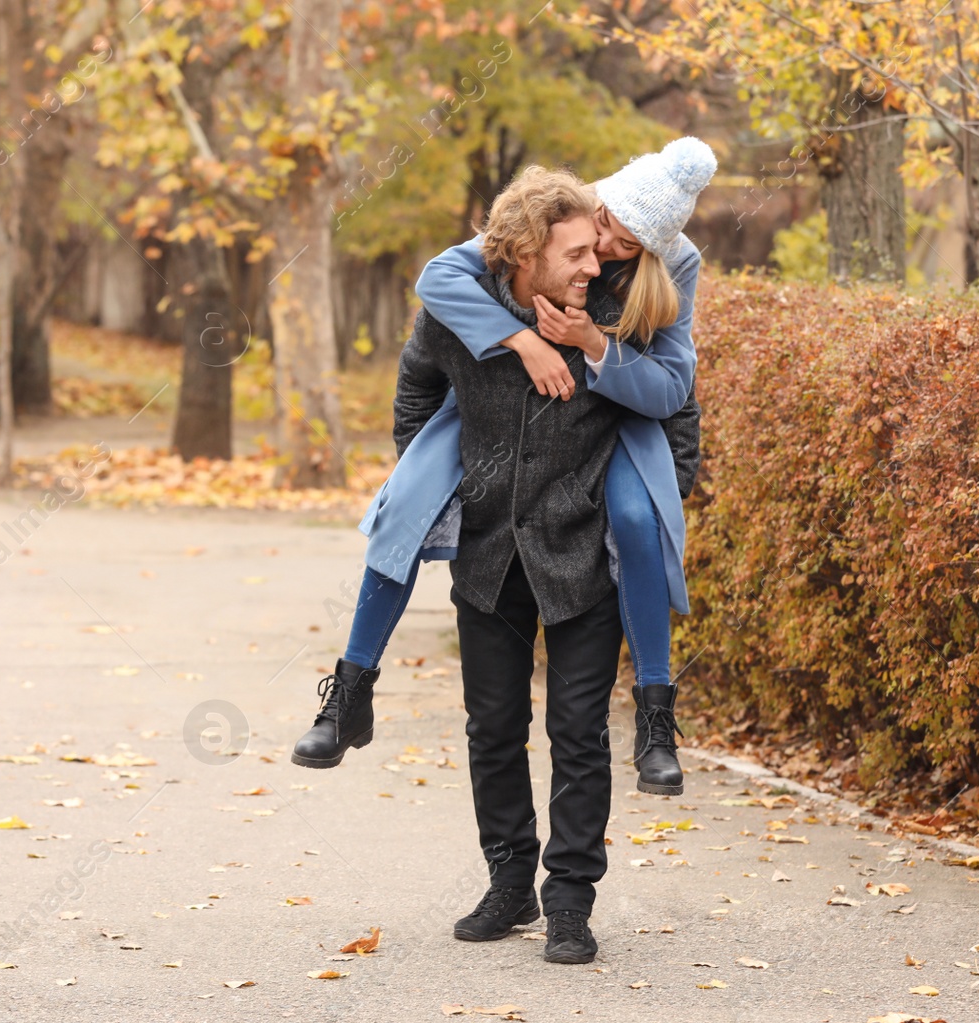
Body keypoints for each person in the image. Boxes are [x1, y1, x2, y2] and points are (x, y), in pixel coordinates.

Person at [292, 138, 715, 799]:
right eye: (604, 223)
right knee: (404, 507)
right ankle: (348, 692)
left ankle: (657, 714)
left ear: (652, 252)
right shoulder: (561, 217)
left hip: (616, 408)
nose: (603, 246)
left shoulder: (675, 266)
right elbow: (437, 279)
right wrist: (519, 339)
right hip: (488, 410)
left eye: (625, 245)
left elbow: (674, 385)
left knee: (637, 516)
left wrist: (592, 343)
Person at [375, 166, 694, 963]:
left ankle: (570, 901)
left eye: (608, 248)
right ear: (536, 249)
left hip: (584, 550)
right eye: (586, 246)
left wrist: (658, 496)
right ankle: (510, 881)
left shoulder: (632, 308)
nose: (598, 260)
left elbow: (676, 411)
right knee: (494, 728)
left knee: (577, 731)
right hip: (491, 550)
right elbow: (416, 391)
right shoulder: (470, 303)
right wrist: (434, 480)